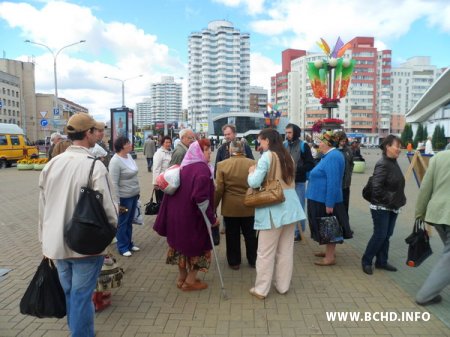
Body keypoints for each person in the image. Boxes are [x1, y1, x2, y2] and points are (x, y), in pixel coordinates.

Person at [38, 113, 117, 337]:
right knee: (81, 295)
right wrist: (110, 235)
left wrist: (44, 241)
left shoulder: (51, 164)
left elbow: (42, 207)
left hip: (56, 244)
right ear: (89, 133)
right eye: (96, 130)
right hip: (86, 243)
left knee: (71, 293)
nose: (99, 135)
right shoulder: (94, 166)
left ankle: (78, 330)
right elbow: (109, 209)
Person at [247, 128, 305, 299]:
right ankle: (282, 286)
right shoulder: (287, 156)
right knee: (286, 250)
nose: (259, 144)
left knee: (265, 252)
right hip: (291, 207)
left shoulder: (267, 156)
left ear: (267, 140)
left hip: (273, 206)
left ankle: (261, 289)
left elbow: (255, 182)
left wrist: (251, 172)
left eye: (260, 140)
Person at [153, 139, 218, 291]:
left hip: (177, 216)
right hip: (193, 218)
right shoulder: (202, 170)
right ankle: (190, 281)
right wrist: (211, 219)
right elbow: (201, 200)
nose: (210, 153)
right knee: (199, 247)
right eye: (207, 150)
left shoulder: (184, 166)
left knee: (180, 247)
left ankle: (181, 278)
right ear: (199, 152)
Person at [361, 135, 406, 275]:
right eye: (396, 146)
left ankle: (381, 261)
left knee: (387, 235)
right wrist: (390, 200)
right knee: (380, 235)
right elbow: (376, 188)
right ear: (388, 147)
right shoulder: (383, 163)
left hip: (392, 206)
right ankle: (366, 261)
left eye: (400, 146)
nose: (399, 149)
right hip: (381, 207)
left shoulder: (393, 162)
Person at [306, 132, 353, 266]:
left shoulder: (333, 156)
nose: (318, 144)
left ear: (328, 143)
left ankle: (330, 257)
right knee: (325, 226)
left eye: (321, 141)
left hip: (324, 199)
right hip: (318, 197)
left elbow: (333, 181)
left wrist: (329, 203)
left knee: (329, 226)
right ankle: (328, 251)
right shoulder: (328, 155)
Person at [415, 150, 450, 305]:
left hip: (437, 214)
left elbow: (425, 187)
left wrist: (419, 213)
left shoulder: (439, 157)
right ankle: (425, 295)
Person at [215, 140, 257, 270]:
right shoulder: (253, 163)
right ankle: (253, 259)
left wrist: (214, 206)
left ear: (230, 150)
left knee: (232, 235)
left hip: (230, 206)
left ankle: (234, 262)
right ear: (243, 150)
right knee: (250, 234)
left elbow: (219, 189)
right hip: (249, 205)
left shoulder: (222, 165)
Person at [109, 136, 141, 257]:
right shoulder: (115, 161)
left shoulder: (129, 157)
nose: (131, 144)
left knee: (129, 222)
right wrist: (116, 201)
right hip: (123, 197)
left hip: (133, 195)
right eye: (128, 143)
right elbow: (113, 183)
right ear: (122, 146)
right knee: (123, 222)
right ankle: (122, 247)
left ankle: (129, 244)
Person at [283, 123, 315, 241]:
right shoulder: (284, 145)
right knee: (287, 206)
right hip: (286, 182)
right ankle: (288, 230)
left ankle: (298, 232)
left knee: (299, 207)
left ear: (295, 132)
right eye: (286, 132)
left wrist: (297, 170)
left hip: (298, 182)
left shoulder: (303, 146)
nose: (287, 135)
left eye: (290, 132)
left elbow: (310, 163)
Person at [334, 131, 354, 214]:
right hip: (336, 184)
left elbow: (351, 163)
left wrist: (349, 173)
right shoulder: (333, 150)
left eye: (344, 140)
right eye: (341, 140)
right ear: (337, 140)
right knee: (336, 205)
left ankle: (345, 223)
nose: (343, 142)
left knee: (345, 204)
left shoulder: (348, 150)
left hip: (346, 183)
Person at [153, 136, 173, 203]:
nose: (168, 144)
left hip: (169, 181)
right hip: (161, 181)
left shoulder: (170, 152)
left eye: (169, 142)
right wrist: (155, 183)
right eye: (166, 142)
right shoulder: (159, 153)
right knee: (161, 202)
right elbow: (156, 168)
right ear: (162, 143)